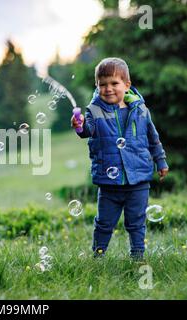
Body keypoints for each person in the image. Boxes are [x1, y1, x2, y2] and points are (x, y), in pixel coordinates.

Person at [72, 57, 169, 260]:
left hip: (138, 179)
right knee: (104, 223)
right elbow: (87, 131)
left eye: (114, 83)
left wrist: (160, 161)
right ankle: (98, 256)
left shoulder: (140, 110)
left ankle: (137, 255)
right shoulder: (95, 111)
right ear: (97, 86)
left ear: (127, 85)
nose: (108, 89)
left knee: (136, 222)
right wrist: (79, 126)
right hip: (109, 183)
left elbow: (153, 138)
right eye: (102, 84)